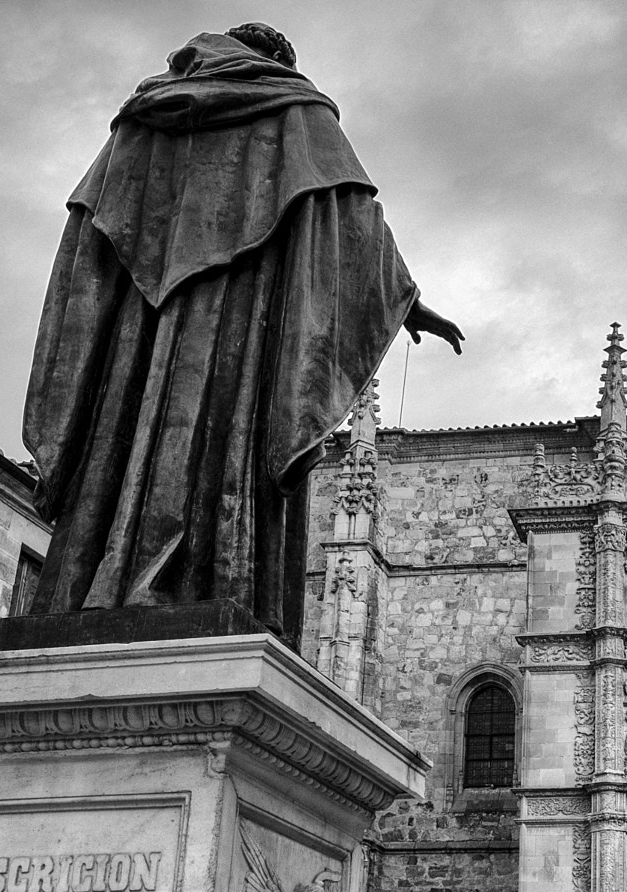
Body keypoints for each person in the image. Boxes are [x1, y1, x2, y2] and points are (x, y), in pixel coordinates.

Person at [23, 24, 464, 635]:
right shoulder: (295, 110)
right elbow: (352, 218)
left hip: (140, 332)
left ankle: (94, 583)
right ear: (279, 58)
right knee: (227, 439)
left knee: (122, 433)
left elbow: (90, 234)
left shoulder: (146, 114)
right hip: (240, 323)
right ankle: (207, 582)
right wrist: (406, 300)